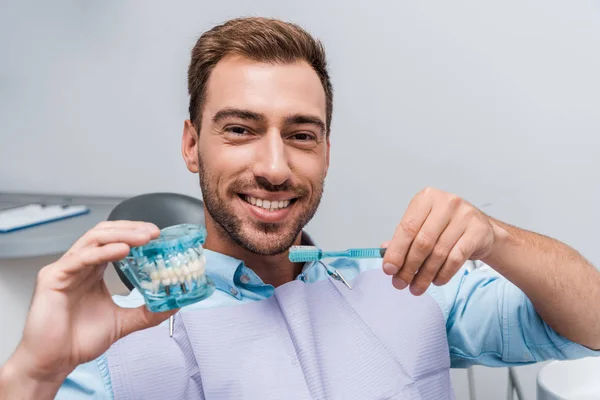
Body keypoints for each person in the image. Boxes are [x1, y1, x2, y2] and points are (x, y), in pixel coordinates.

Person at [1, 16, 599, 400]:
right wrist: (32, 375)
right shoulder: (112, 346)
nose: (276, 166)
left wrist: (496, 236)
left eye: (302, 135)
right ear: (191, 144)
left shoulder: (411, 292)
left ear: (327, 152)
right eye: (240, 129)